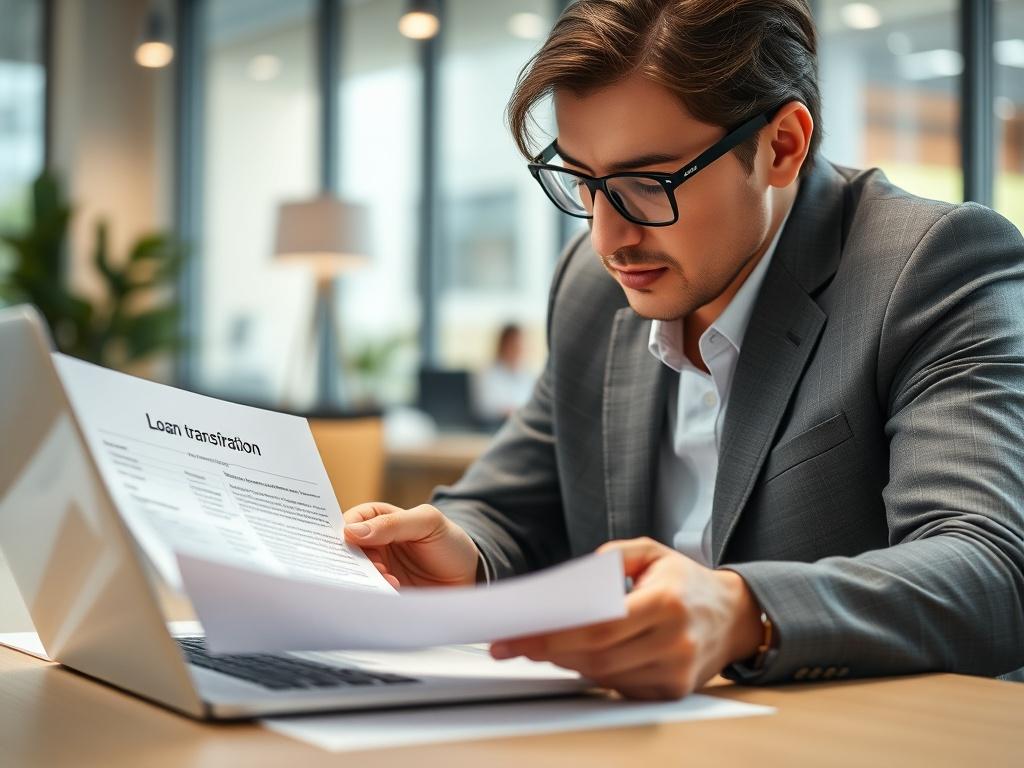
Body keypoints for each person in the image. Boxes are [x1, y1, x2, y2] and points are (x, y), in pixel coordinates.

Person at [343, 0, 1024, 700]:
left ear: (781, 146)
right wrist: (463, 553)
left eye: (647, 184)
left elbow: (992, 570)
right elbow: (513, 506)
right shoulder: (592, 287)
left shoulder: (931, 265)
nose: (609, 239)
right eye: (584, 180)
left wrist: (743, 613)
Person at [471, 323, 536, 423]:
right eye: (513, 345)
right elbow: (485, 407)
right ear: (503, 345)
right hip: (493, 425)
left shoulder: (527, 375)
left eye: (520, 345)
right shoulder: (486, 373)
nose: (517, 349)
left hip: (522, 424)